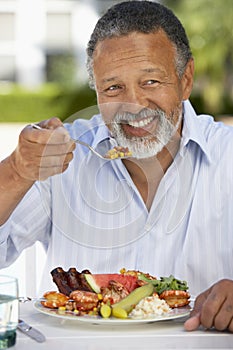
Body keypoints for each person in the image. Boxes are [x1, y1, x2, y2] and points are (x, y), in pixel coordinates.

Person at [0, 0, 233, 332]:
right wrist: (16, 171)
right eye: (113, 88)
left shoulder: (229, 158)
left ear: (185, 79)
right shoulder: (62, 155)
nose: (133, 105)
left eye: (150, 82)